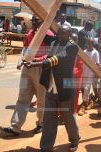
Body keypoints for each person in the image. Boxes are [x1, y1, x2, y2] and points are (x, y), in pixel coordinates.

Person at [24, 24, 80, 152]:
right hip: (51, 87)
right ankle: (46, 147)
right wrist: (34, 59)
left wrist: (35, 64)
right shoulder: (54, 42)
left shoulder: (72, 47)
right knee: (49, 118)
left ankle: (75, 139)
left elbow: (56, 59)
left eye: (63, 33)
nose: (60, 35)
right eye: (59, 33)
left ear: (69, 34)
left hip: (65, 88)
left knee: (67, 117)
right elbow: (47, 57)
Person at [0, 16, 54, 136]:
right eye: (32, 20)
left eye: (36, 20)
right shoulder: (29, 33)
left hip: (41, 69)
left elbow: (51, 53)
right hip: (27, 68)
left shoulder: (48, 34)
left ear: (42, 22)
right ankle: (15, 126)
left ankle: (41, 123)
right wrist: (21, 60)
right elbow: (25, 48)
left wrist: (36, 60)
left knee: (41, 99)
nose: (33, 22)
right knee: (23, 97)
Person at [78, 38, 99, 116]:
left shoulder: (95, 53)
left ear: (93, 44)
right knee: (83, 89)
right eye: (88, 43)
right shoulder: (84, 52)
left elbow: (97, 64)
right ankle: (89, 100)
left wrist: (96, 74)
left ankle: (84, 105)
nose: (90, 45)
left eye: (91, 43)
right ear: (86, 43)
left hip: (91, 74)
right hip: (83, 73)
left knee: (86, 88)